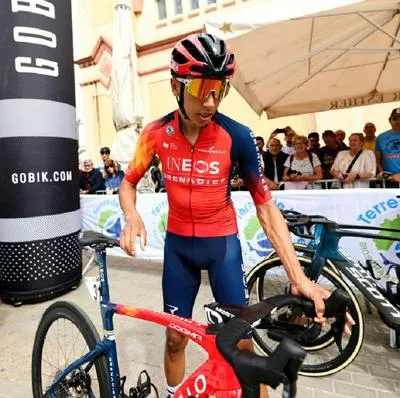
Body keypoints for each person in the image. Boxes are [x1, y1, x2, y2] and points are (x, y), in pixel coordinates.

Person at [118, 33, 351, 398]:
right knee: (176, 338)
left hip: (222, 246)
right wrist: (131, 216)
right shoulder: (154, 135)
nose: (210, 101)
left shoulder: (237, 136)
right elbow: (128, 182)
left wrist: (298, 277)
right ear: (175, 86)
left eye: (220, 89)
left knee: (241, 346)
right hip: (179, 249)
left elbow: (266, 207)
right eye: (202, 87)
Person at [376, 108, 400, 182]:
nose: (398, 121)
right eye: (395, 119)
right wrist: (382, 173)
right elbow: (378, 160)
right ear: (390, 121)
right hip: (389, 179)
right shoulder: (381, 137)